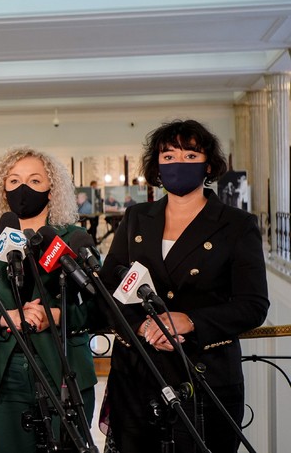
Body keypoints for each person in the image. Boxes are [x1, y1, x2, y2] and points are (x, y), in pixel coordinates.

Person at [98, 119, 269, 452]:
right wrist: (144, 325)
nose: (179, 163)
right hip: (138, 374)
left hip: (204, 376)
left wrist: (190, 320)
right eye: (169, 156)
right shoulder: (135, 218)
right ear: (157, 166)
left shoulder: (236, 225)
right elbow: (107, 291)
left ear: (209, 165)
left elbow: (253, 305)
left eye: (191, 156)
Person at [0, 147, 97, 452]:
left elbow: (102, 307)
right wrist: (4, 318)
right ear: (2, 190)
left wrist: (59, 315)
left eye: (34, 180)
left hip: (65, 368)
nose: (23, 189)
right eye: (14, 181)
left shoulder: (74, 238)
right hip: (4, 375)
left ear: (51, 189)